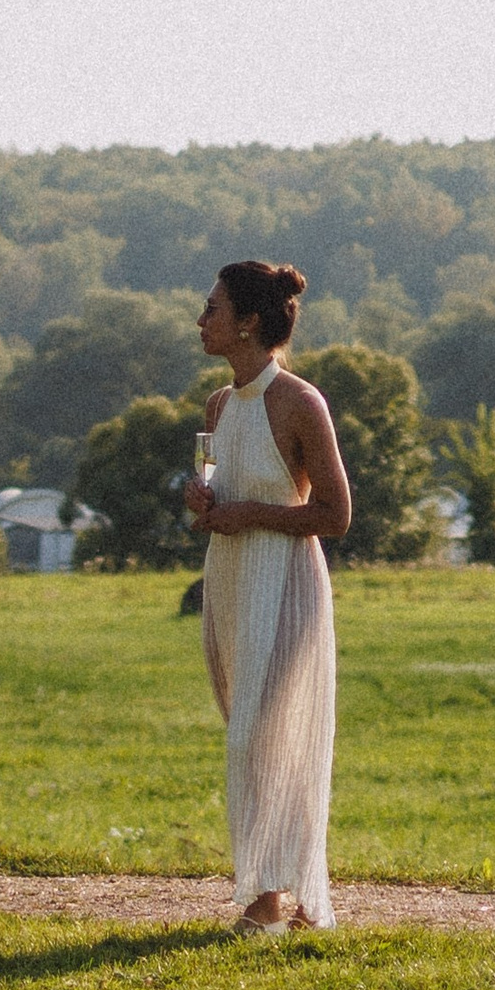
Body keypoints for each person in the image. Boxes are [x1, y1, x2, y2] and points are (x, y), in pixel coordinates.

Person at [183, 261, 351, 930]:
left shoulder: (301, 403)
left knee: (263, 735)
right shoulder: (217, 407)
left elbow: (335, 516)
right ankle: (297, 898)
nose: (201, 320)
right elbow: (205, 487)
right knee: (250, 732)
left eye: (213, 308)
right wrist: (198, 498)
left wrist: (252, 514)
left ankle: (266, 899)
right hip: (227, 581)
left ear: (249, 321)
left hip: (284, 583)